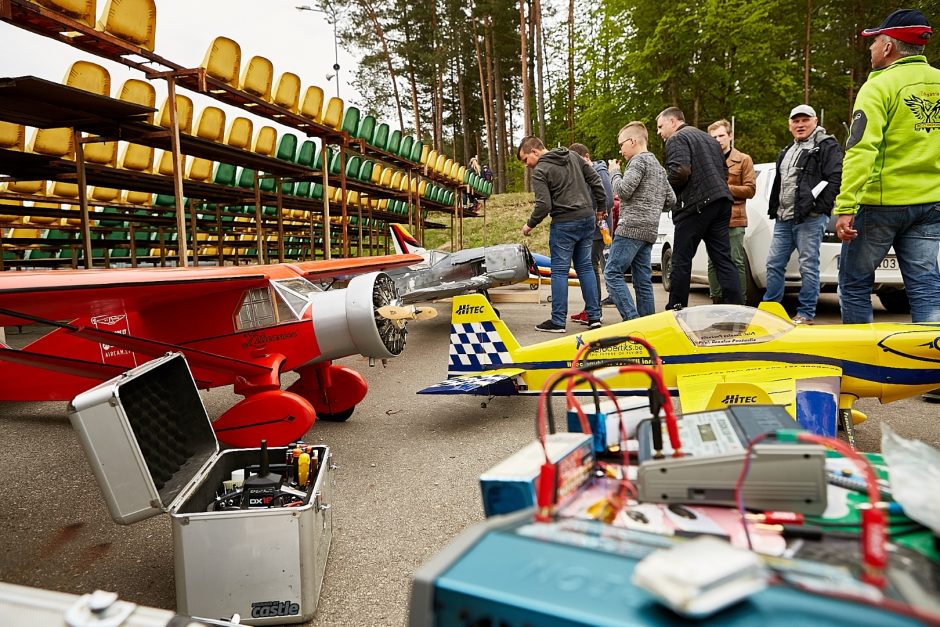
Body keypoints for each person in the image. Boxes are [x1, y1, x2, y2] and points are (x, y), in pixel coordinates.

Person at [834, 8, 940, 325]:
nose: (870, 48)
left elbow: (861, 149)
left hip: (882, 203)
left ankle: (860, 362)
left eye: (874, 41)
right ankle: (929, 364)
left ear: (889, 46)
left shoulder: (879, 86)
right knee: (926, 288)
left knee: (854, 283)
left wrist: (846, 204)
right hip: (931, 203)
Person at [763, 105, 842, 325]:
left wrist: (820, 208)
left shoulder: (826, 145)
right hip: (784, 217)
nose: (800, 125)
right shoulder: (789, 149)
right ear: (790, 125)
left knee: (809, 265)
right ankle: (771, 311)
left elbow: (835, 178)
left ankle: (806, 313)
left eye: (804, 120)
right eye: (795, 121)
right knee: (773, 263)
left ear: (815, 121)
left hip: (810, 218)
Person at [655, 107, 741, 309]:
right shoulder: (710, 140)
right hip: (721, 203)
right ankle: (737, 308)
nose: (659, 132)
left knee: (681, 260)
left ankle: (675, 309)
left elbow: (680, 171)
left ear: (674, 122)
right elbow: (724, 172)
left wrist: (665, 192)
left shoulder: (676, 139)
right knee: (723, 260)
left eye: (660, 126)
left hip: (695, 207)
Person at [518, 136, 605, 332]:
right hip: (586, 218)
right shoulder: (573, 156)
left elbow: (544, 205)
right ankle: (595, 317)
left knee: (559, 271)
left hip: (565, 224)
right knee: (585, 268)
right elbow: (595, 181)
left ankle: (558, 321)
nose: (526, 165)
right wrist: (600, 207)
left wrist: (529, 225)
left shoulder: (540, 170)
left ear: (534, 151)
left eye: (525, 160)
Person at [605, 122, 676, 320]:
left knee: (612, 273)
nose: (620, 149)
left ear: (633, 141)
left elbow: (624, 190)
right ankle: (647, 325)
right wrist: (651, 205)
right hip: (649, 231)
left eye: (621, 144)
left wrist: (613, 172)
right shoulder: (659, 168)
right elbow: (671, 200)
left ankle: (632, 321)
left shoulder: (638, 162)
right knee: (642, 280)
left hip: (631, 228)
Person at [706, 119, 756, 304]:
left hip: (734, 219)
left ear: (730, 136)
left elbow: (750, 190)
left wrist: (724, 188)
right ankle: (716, 301)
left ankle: (739, 303)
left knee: (735, 260)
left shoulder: (743, 159)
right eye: (714, 137)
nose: (718, 140)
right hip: (711, 219)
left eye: (721, 135)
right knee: (712, 262)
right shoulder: (708, 160)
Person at [568, 143, 614, 324]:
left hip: (597, 229)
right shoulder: (584, 173)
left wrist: (595, 214)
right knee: (587, 268)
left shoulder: (599, 171)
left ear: (586, 157)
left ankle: (594, 310)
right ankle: (591, 308)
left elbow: (608, 199)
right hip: (589, 227)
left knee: (590, 268)